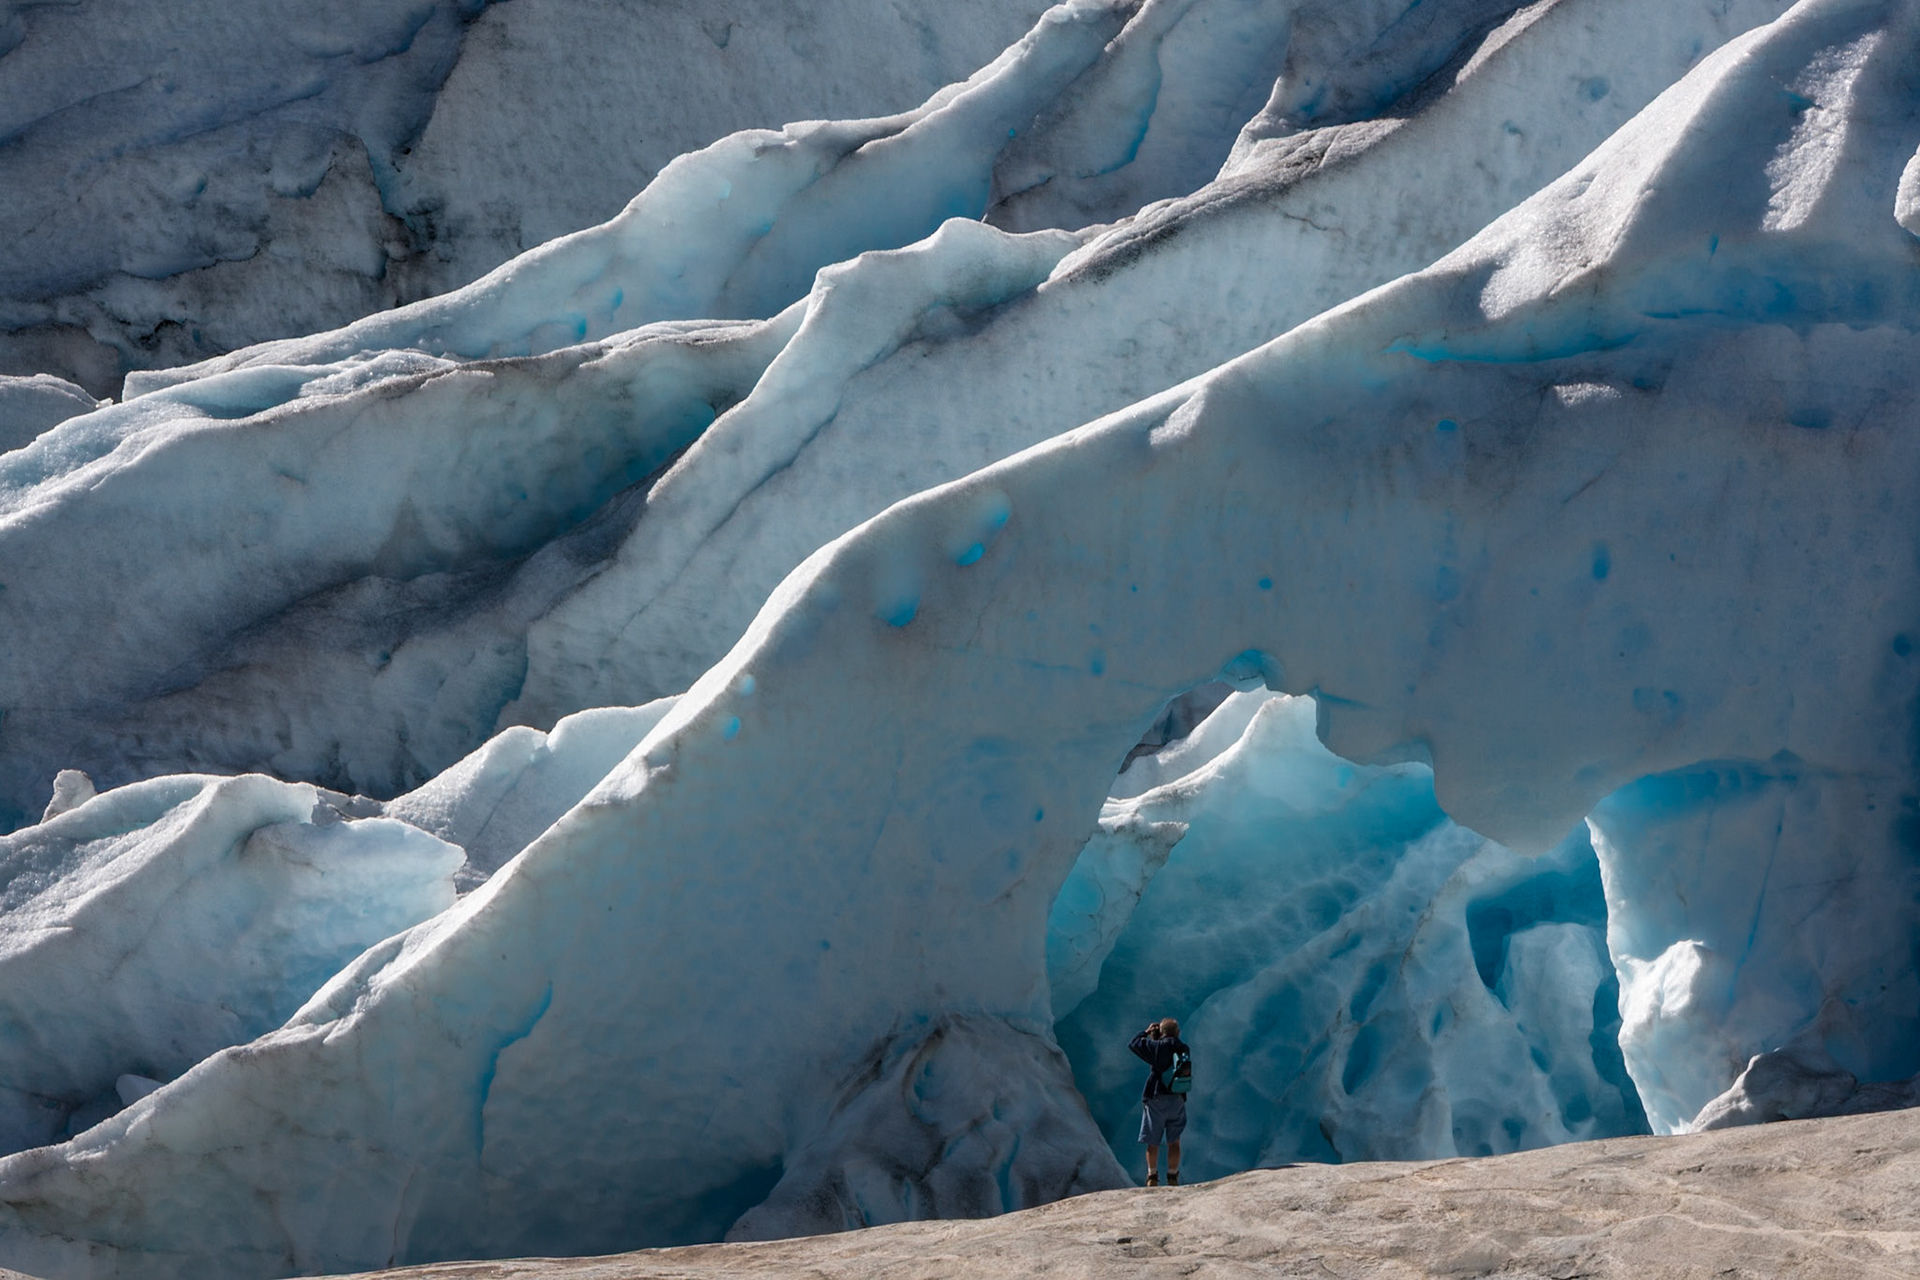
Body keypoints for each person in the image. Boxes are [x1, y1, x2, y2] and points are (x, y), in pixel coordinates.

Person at [1128, 1017, 1188, 1186]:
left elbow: (1133, 1044)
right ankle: (1172, 1176)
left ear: (1161, 1032)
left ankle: (1152, 1176)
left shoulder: (1156, 1047)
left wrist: (1147, 1033)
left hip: (1156, 1097)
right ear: (1177, 1033)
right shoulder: (1183, 1048)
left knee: (1153, 1141)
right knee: (1174, 1141)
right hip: (1177, 1097)